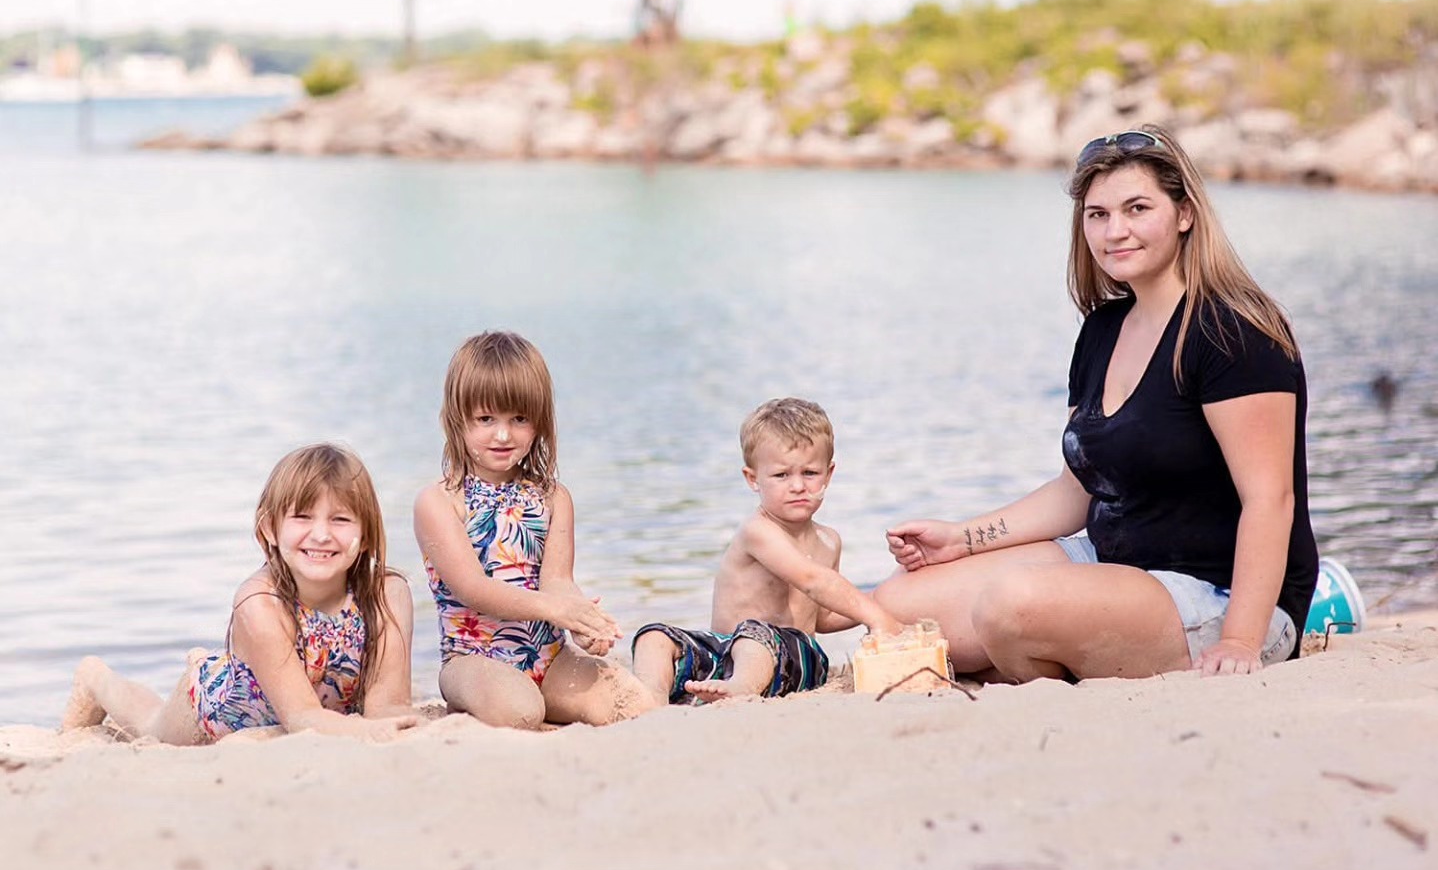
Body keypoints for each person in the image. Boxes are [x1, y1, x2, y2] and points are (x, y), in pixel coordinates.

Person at [875, 124, 1317, 683]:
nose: (1115, 231)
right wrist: (960, 539)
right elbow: (1075, 491)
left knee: (1012, 604)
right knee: (896, 606)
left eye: (1137, 209)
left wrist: (1239, 640)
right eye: (1098, 215)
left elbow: (1270, 499)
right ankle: (1039, 651)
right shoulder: (1103, 329)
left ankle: (1031, 656)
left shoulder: (1233, 332)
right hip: (1114, 566)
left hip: (1220, 593)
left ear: (1184, 213)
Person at [61, 443, 421, 743]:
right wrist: (363, 732)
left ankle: (219, 657)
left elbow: (388, 704)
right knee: (150, 723)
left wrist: (389, 726)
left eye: (340, 519)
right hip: (216, 713)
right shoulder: (259, 603)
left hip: (315, 708)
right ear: (269, 529)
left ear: (366, 534)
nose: (322, 535)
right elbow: (302, 716)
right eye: (302, 517)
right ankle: (96, 678)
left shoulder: (388, 593)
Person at [413, 330, 654, 729]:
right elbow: (473, 588)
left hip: (549, 656)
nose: (503, 434)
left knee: (633, 704)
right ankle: (496, 701)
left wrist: (581, 623)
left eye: (519, 419)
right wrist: (555, 608)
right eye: (486, 419)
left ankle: (550, 693)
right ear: (457, 420)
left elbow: (557, 581)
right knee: (520, 712)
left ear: (539, 423)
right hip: (473, 658)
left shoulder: (553, 497)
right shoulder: (439, 502)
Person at [631, 397, 903, 704]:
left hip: (792, 658)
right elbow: (813, 580)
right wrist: (875, 615)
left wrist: (881, 601)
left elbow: (823, 617)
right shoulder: (758, 531)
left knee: (756, 635)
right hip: (723, 653)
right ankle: (650, 695)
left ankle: (741, 689)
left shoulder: (829, 540)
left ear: (828, 474)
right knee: (654, 636)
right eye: (781, 475)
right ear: (753, 479)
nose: (798, 486)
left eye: (810, 473)